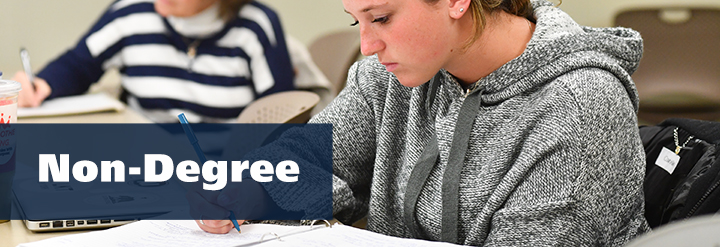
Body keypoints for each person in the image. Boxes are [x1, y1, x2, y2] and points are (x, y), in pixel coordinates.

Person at [195, 0, 650, 245]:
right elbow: (298, 157)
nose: (367, 45)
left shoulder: (580, 105)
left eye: (381, 18)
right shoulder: (394, 72)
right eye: (356, 21)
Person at [12, 0, 295, 123]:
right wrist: (38, 85)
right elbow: (77, 65)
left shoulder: (256, 27)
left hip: (226, 178)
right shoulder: (130, 14)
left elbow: (282, 119)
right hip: (143, 168)